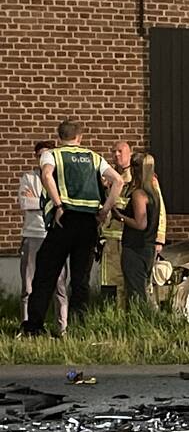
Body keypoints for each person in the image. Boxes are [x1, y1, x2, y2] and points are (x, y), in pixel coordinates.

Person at [21, 119, 123, 335]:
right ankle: (79, 327)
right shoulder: (94, 157)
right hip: (88, 224)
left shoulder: (53, 155)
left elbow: (47, 175)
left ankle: (34, 326)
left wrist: (58, 204)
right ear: (80, 137)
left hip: (63, 221)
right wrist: (104, 211)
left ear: (59, 137)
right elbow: (118, 181)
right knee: (80, 279)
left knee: (46, 274)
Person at [100, 141, 167, 303]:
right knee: (111, 281)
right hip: (111, 240)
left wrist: (159, 238)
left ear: (129, 154)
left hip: (133, 240)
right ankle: (113, 317)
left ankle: (135, 317)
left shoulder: (144, 181)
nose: (116, 155)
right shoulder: (110, 179)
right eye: (113, 151)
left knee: (135, 284)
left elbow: (159, 210)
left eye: (120, 151)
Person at [18, 140, 69, 335]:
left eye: (45, 155)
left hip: (54, 234)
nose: (42, 159)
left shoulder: (60, 179)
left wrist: (41, 201)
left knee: (59, 285)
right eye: (39, 155)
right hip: (33, 233)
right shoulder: (29, 177)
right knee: (28, 284)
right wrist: (48, 203)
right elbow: (25, 202)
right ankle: (27, 325)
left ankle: (62, 327)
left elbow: (62, 203)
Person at [113, 152, 161, 303]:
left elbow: (140, 224)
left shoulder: (138, 194)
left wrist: (120, 216)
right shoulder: (154, 193)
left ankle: (138, 321)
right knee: (142, 289)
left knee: (135, 293)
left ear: (134, 170)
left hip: (135, 247)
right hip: (148, 246)